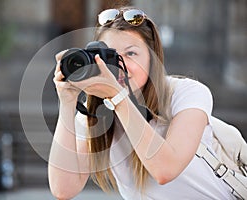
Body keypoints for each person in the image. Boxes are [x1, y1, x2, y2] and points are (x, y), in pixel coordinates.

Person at [48, 6, 236, 200]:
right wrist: (67, 102)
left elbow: (165, 170)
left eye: (130, 54)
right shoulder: (94, 113)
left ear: (152, 59)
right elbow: (63, 189)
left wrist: (117, 96)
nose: (120, 65)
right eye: (110, 56)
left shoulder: (186, 93)